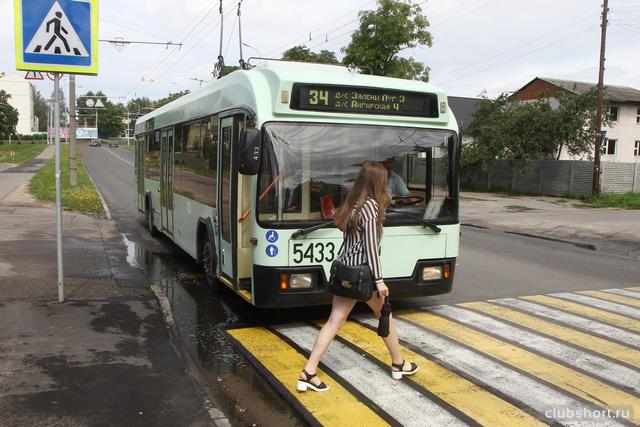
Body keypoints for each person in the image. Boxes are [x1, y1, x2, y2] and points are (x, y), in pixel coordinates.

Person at [297, 161, 419, 393]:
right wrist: (380, 281)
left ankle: (308, 372)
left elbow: (351, 243)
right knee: (384, 314)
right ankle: (399, 364)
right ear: (377, 181)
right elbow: (371, 248)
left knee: (335, 321)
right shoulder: (372, 208)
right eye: (384, 179)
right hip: (363, 274)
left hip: (346, 269)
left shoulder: (353, 206)